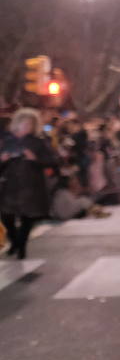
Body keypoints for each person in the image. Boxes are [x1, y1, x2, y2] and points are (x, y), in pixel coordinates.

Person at [1, 108, 60, 259]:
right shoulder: (6, 141)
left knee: (28, 217)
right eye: (24, 123)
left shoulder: (38, 142)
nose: (27, 127)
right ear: (17, 123)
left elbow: (53, 161)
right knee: (6, 216)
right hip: (9, 185)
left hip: (31, 186)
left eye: (30, 124)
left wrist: (35, 159)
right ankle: (15, 241)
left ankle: (21, 246)